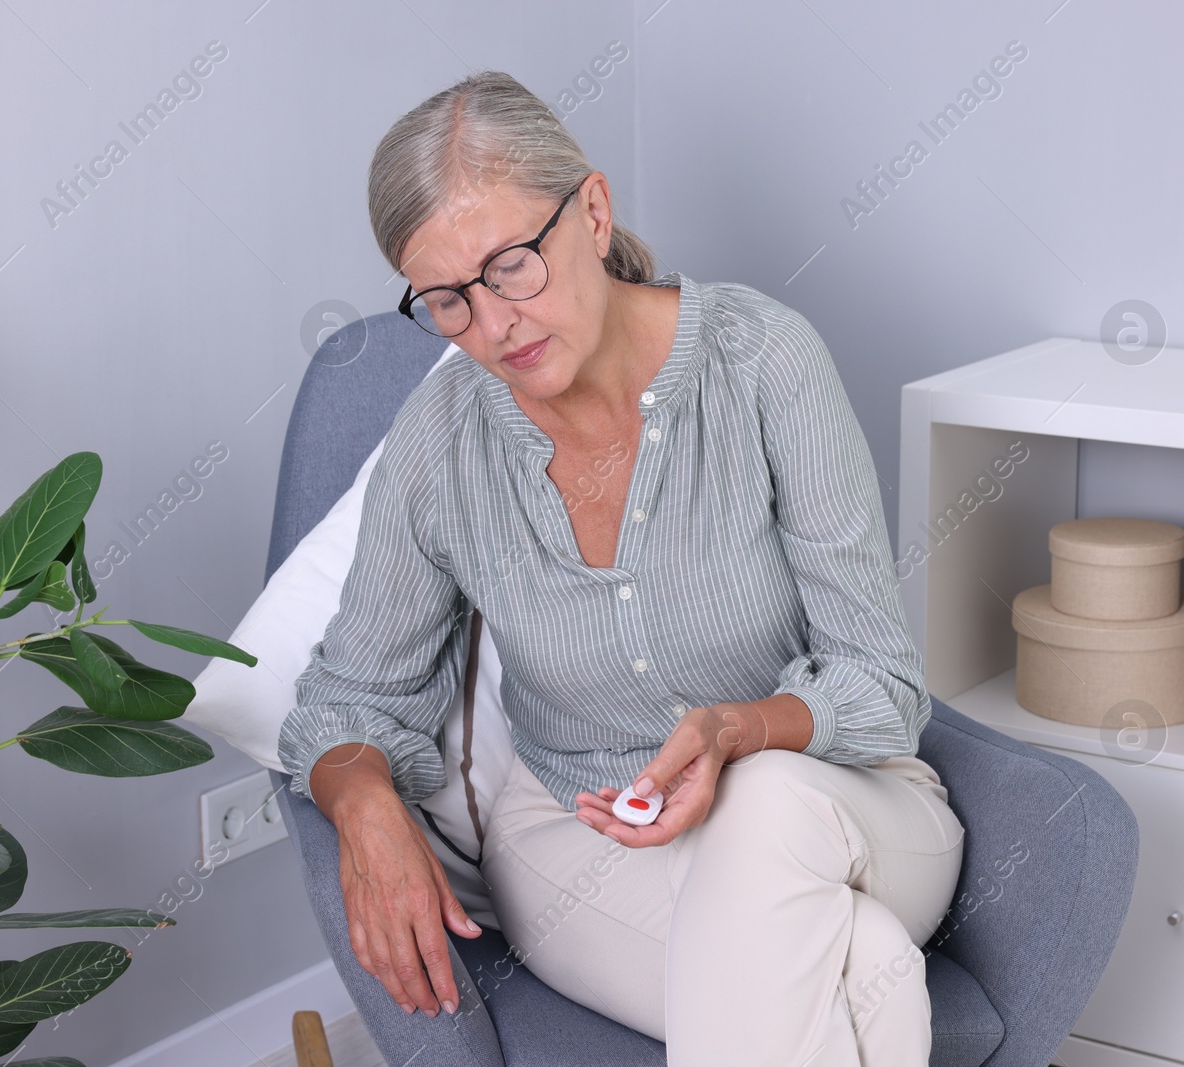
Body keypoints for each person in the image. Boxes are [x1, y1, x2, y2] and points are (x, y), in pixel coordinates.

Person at [277, 69, 965, 1066]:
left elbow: (883, 680)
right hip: (577, 842)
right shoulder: (441, 442)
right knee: (859, 969)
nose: (494, 323)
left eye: (511, 263)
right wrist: (363, 801)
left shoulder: (762, 363)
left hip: (836, 802)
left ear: (590, 212)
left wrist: (742, 732)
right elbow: (347, 700)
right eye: (446, 299)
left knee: (765, 801)